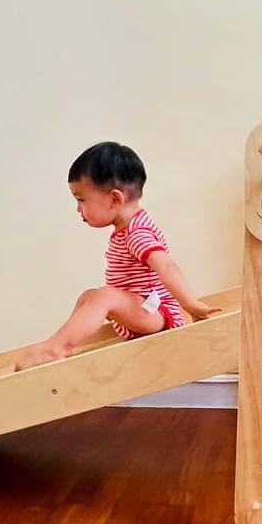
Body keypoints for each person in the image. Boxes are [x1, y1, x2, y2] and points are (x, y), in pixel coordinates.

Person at [15, 142, 219, 370]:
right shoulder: (127, 229)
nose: (78, 209)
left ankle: (56, 348)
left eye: (81, 199)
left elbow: (167, 266)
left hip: (157, 314)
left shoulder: (137, 233)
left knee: (104, 297)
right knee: (89, 296)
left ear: (114, 199)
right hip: (143, 310)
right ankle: (60, 344)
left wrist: (190, 305)